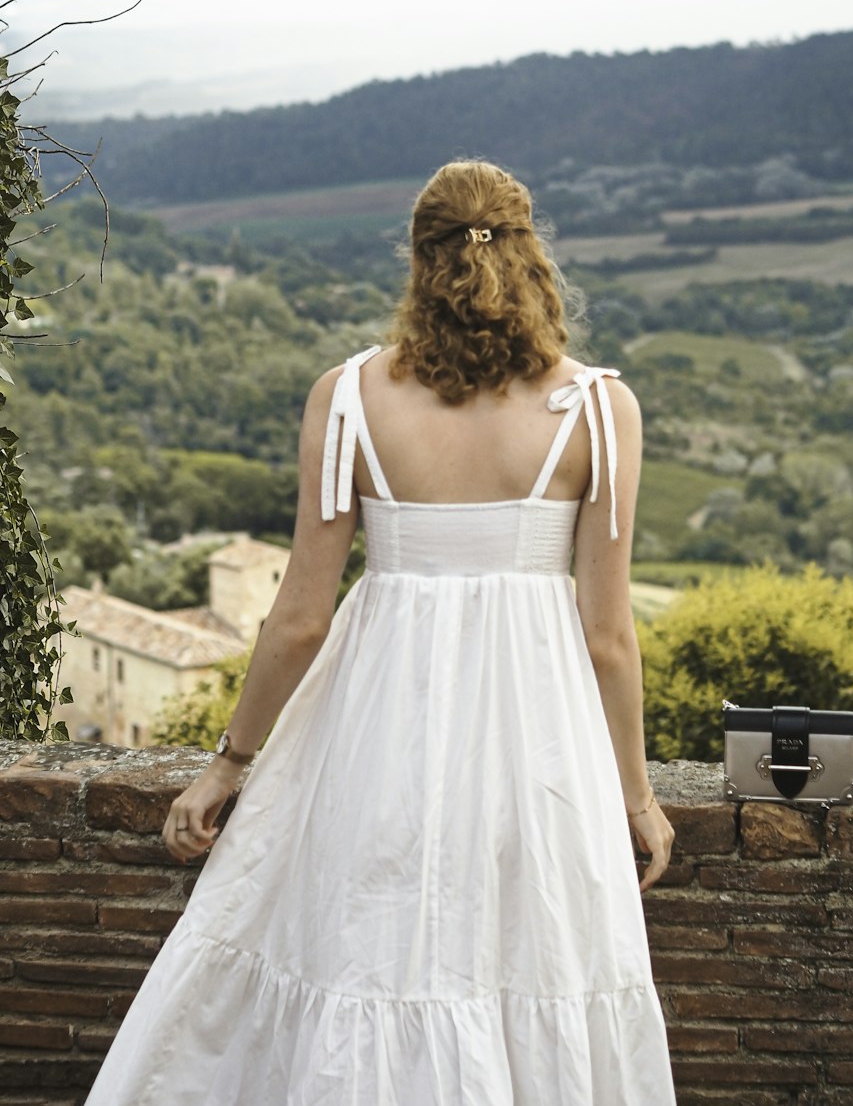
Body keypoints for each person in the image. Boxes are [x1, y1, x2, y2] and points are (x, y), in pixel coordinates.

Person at [84, 159, 677, 1105]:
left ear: (417, 259)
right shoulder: (602, 411)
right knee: (531, 966)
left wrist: (228, 763)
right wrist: (636, 798)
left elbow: (298, 619)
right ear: (530, 254)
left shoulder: (350, 397)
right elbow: (608, 636)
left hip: (374, 734)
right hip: (538, 746)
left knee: (363, 957)